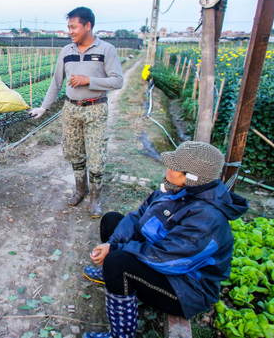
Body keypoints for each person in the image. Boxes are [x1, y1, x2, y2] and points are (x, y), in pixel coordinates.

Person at [81, 142, 248, 338]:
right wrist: (113, 243)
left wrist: (118, 250)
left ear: (193, 177)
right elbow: (138, 217)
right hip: (160, 259)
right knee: (112, 221)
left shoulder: (208, 217)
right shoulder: (175, 190)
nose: (168, 168)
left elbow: (168, 258)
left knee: (117, 261)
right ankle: (117, 280)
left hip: (185, 288)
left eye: (174, 166)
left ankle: (121, 334)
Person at [29, 7, 123, 217]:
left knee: (96, 157)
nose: (70, 31)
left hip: (96, 109)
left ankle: (95, 198)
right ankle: (81, 190)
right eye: (68, 27)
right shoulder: (67, 51)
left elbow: (118, 81)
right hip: (71, 109)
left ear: (87, 25)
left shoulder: (106, 49)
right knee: (74, 153)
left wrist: (89, 80)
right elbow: (56, 82)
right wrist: (43, 107)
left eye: (73, 26)